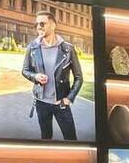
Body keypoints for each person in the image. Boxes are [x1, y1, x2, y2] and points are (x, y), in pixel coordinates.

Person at [21, 10, 83, 140]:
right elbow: (25, 70)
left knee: (71, 139)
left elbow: (78, 77)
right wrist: (35, 77)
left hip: (61, 103)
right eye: (36, 24)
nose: (39, 27)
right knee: (46, 138)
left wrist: (69, 98)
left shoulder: (68, 49)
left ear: (53, 25)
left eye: (42, 23)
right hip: (41, 103)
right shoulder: (32, 47)